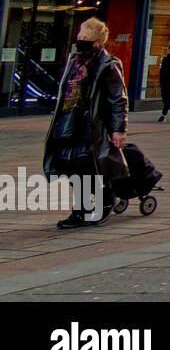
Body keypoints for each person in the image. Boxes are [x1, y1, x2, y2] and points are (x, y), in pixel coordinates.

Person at [42, 18, 128, 229]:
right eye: (80, 37)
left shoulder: (108, 64)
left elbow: (118, 98)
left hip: (91, 123)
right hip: (66, 121)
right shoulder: (74, 60)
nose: (80, 41)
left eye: (86, 38)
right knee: (67, 163)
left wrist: (119, 129)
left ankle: (103, 200)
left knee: (85, 163)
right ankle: (81, 209)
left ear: (98, 41)